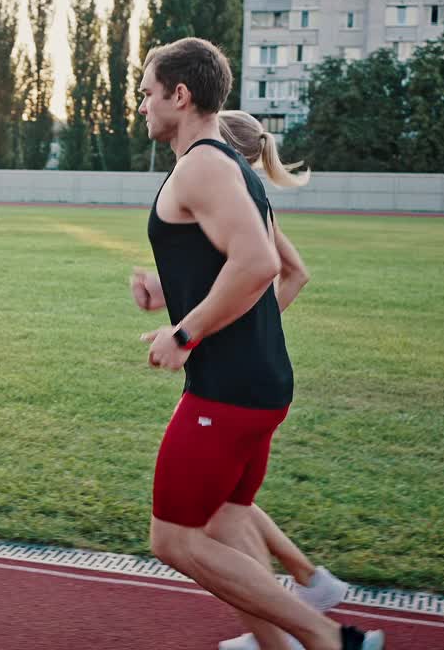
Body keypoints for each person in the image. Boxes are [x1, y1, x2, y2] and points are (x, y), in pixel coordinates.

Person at [133, 37, 384, 650]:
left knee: (174, 539)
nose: (141, 105)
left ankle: (326, 638)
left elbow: (255, 264)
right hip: (257, 381)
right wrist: (168, 291)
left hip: (229, 389)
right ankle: (286, 643)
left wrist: (184, 333)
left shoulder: (204, 165)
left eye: (146, 93)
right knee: (226, 520)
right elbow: (229, 260)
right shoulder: (227, 165)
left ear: (180, 94)